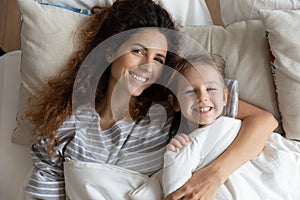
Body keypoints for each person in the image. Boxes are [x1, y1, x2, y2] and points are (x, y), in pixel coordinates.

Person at [23, 0, 278, 199]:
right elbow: (44, 194)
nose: (147, 66)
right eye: (138, 51)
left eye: (158, 59)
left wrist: (213, 176)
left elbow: (263, 121)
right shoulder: (64, 125)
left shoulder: (173, 105)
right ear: (110, 50)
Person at [161, 54, 300, 199]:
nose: (202, 97)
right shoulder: (178, 137)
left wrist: (214, 175)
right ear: (175, 102)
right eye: (190, 91)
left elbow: (267, 121)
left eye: (211, 89)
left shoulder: (226, 117)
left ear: (226, 97)